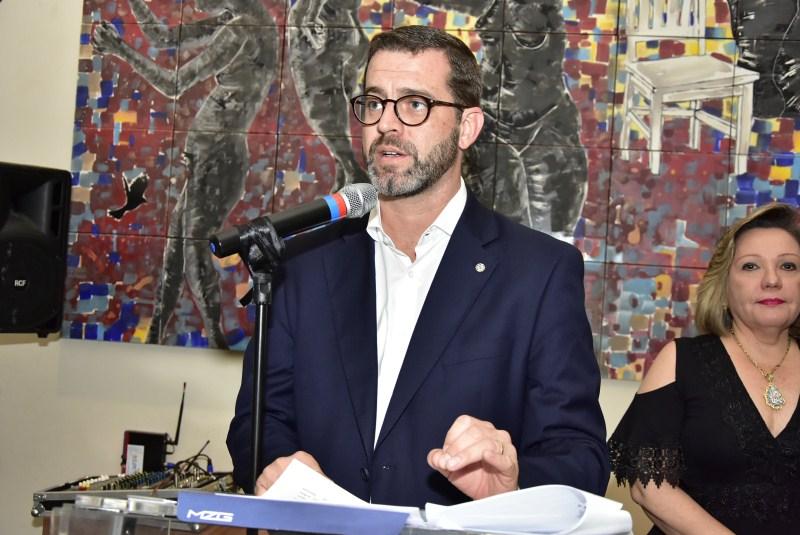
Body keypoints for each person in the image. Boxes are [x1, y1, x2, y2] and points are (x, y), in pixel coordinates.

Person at [227, 25, 608, 507]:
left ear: (467, 127)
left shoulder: (539, 273)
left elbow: (580, 458)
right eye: (374, 102)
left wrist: (513, 482)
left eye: (414, 104)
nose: (387, 124)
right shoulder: (305, 261)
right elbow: (257, 424)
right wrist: (278, 466)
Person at [92, 0, 279, 348]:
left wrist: (121, 49)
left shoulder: (240, 30)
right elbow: (164, 37)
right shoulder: (247, 20)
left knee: (192, 251)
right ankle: (157, 333)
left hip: (217, 158)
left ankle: (215, 340)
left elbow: (174, 84)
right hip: (217, 157)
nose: (194, 3)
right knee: (175, 252)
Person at [609, 203, 800, 534]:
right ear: (724, 287)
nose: (772, 280)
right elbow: (649, 485)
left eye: (788, 266)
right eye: (751, 266)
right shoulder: (681, 360)